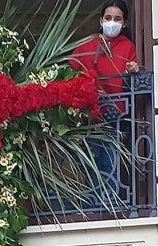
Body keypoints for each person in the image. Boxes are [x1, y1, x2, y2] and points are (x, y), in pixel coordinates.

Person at [69, 0, 140, 189]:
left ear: (124, 23)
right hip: (88, 115)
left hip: (114, 114)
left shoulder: (128, 47)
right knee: (89, 161)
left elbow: (130, 75)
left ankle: (108, 205)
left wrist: (133, 70)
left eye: (117, 19)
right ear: (101, 20)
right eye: (108, 18)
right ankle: (94, 204)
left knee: (109, 160)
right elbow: (71, 71)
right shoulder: (88, 44)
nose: (112, 22)